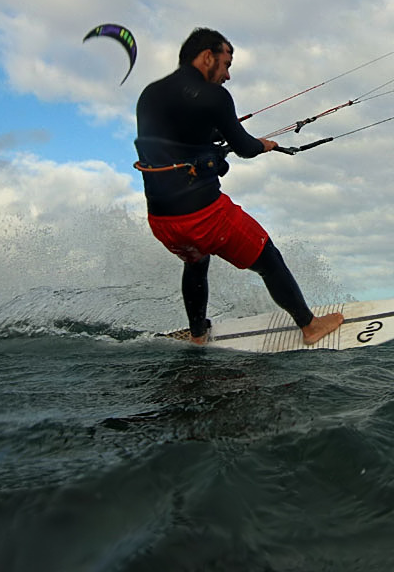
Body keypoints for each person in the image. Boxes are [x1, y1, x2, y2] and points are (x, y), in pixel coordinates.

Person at [135, 27, 342, 345]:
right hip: (204, 218)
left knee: (196, 260)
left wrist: (213, 155)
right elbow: (244, 147)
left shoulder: (148, 95)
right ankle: (310, 326)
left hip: (162, 222)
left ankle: (198, 335)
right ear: (207, 57)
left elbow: (172, 147)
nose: (228, 75)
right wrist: (264, 145)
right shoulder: (214, 96)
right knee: (269, 259)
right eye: (226, 64)